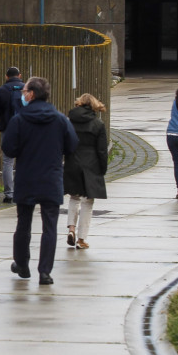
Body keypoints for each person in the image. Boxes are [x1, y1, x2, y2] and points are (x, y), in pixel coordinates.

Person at [2, 77, 78, 285]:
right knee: (50, 226)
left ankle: (22, 263)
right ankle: (45, 272)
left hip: (27, 177)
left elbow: (8, 148)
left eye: (24, 90)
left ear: (31, 94)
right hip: (51, 178)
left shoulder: (19, 120)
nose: (22, 93)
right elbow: (72, 145)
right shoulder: (60, 120)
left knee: (23, 223)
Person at [63, 93, 108, 250]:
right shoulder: (98, 124)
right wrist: (103, 168)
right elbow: (102, 150)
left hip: (72, 162)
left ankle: (71, 229)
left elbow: (64, 142)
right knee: (88, 201)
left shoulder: (69, 121)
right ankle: (81, 239)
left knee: (74, 197)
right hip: (91, 164)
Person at [0, 66, 25, 203]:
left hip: (8, 129)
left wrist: (4, 116)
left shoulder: (2, 90)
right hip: (25, 128)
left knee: (8, 161)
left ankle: (9, 194)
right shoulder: (26, 89)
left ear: (6, 76)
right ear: (20, 75)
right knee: (24, 160)